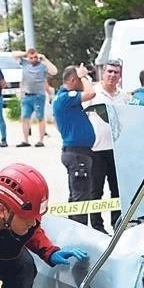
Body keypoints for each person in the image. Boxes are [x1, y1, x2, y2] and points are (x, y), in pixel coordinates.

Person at [53, 65, 100, 230]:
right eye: (79, 79)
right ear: (73, 80)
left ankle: (74, 229)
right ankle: (80, 233)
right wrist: (84, 76)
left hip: (78, 153)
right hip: (77, 154)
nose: (83, 82)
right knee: (81, 199)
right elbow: (91, 93)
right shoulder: (66, 97)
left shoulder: (66, 99)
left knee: (77, 197)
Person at [85, 60, 127, 232]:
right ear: (103, 73)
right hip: (96, 149)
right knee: (96, 191)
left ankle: (117, 224)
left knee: (117, 190)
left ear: (120, 76)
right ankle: (97, 226)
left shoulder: (123, 96)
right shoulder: (92, 94)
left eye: (116, 72)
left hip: (116, 150)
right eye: (109, 71)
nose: (112, 75)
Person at [15, 47, 56, 147]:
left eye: (35, 57)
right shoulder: (24, 63)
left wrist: (44, 59)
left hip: (38, 95)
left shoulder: (42, 66)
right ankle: (25, 140)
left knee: (40, 117)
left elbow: (54, 71)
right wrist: (25, 54)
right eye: (31, 57)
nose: (33, 59)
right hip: (27, 95)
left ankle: (41, 140)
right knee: (25, 117)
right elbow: (14, 55)